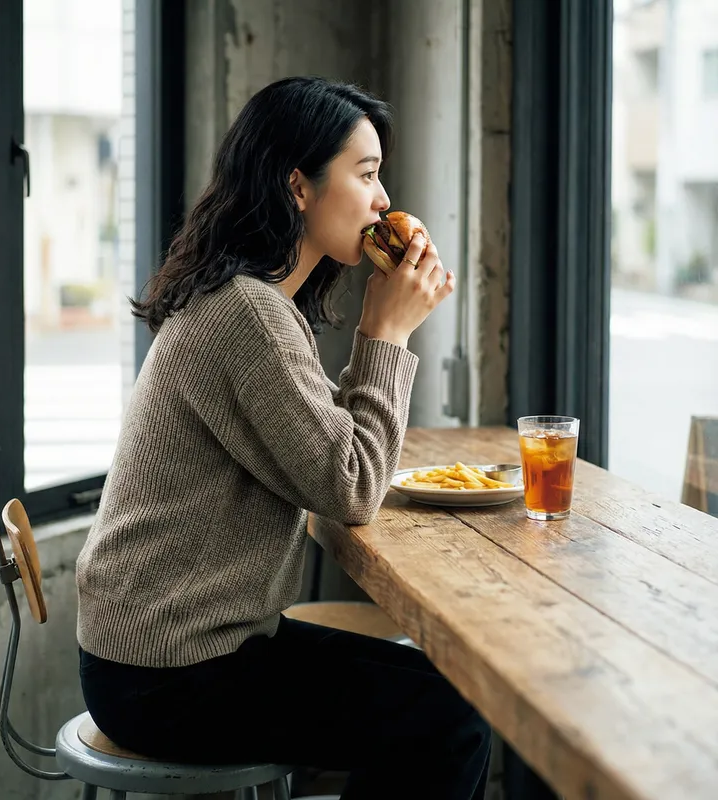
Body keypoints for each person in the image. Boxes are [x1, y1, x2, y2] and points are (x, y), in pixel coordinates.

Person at [76, 75, 491, 799]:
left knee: (450, 691)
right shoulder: (248, 314)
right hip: (170, 675)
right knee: (448, 720)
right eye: (365, 175)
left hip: (182, 651)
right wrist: (385, 330)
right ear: (298, 186)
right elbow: (351, 487)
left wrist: (383, 328)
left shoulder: (256, 302)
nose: (385, 199)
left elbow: (329, 446)